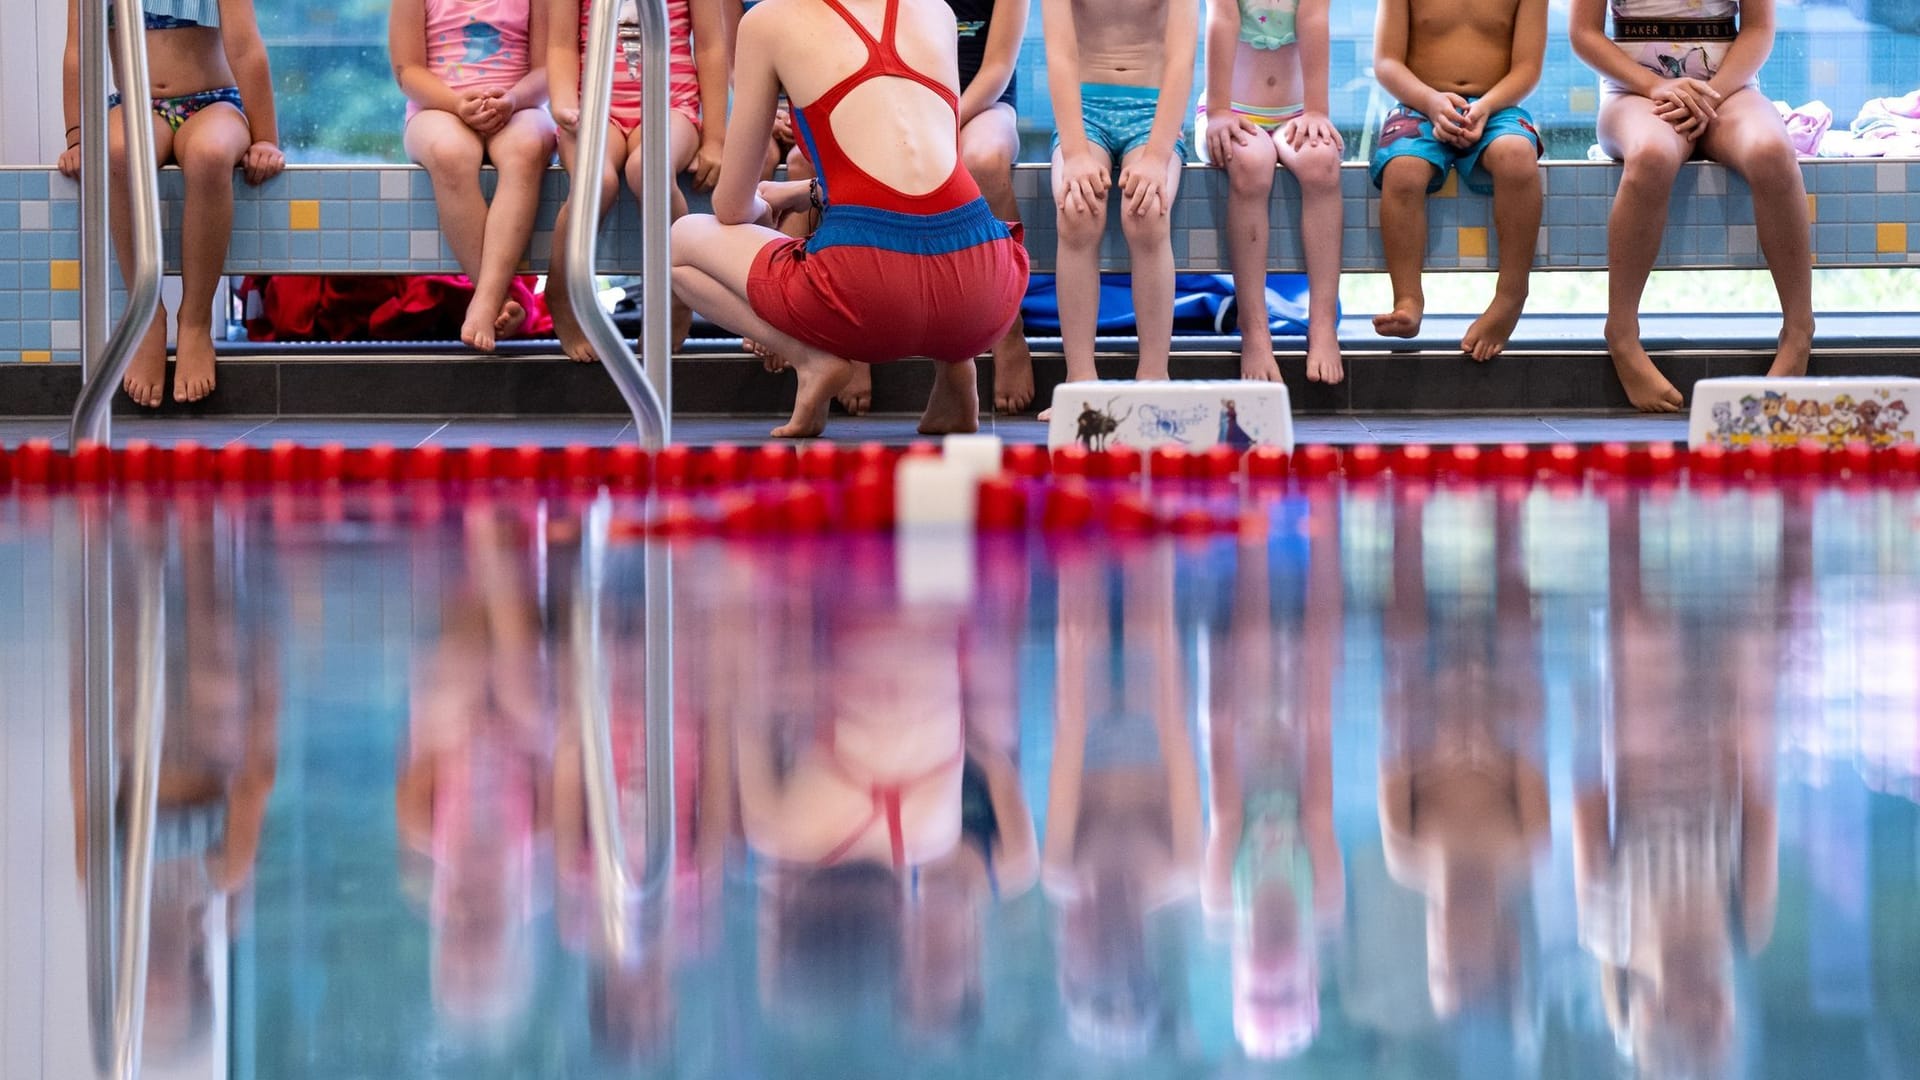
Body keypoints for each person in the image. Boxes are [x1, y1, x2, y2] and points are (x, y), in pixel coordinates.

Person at [670, 0, 1030, 438]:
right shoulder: (936, 10)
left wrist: (764, 209)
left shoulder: (767, 21)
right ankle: (957, 366)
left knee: (680, 243)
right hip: (984, 289)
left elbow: (731, 207)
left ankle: (811, 360)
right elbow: (923, 170)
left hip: (870, 293)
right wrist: (808, 193)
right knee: (929, 227)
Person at [1571, 0, 1813, 412]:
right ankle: (1622, 334)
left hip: (1728, 90)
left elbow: (1758, 28)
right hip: (1635, 92)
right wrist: (1656, 87)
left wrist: (1708, 96)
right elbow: (1584, 34)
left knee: (1772, 150)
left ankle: (1798, 331)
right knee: (1651, 155)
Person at [59, 0, 285, 407]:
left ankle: (195, 322)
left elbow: (246, 46)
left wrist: (266, 137)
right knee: (117, 154)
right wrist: (76, 137)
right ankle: (145, 316)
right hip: (136, 106)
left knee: (210, 155)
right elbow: (79, 50)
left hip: (214, 102)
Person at [1377, 489, 1548, 1019]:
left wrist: (1438, 726)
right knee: (1520, 651)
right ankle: (1508, 518)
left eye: (1440, 969)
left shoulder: (1406, 853)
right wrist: (1488, 727)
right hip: (1498, 690)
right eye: (1463, 969)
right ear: (1504, 946)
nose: (1449, 952)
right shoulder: (1524, 846)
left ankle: (1405, 520)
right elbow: (1532, 741)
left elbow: (1392, 744)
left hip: (1428, 692)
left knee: (1402, 655)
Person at [835, 0, 1036, 417]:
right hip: (906, 102)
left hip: (982, 103)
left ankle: (1009, 328)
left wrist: (944, 119)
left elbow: (997, 69)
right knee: (863, 153)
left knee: (984, 159)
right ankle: (854, 339)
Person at [1045, 543, 1204, 1054]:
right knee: (1147, 629)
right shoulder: (1179, 869)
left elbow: (1067, 748)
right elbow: (1180, 750)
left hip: (1089, 745)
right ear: (1139, 949)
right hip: (1151, 739)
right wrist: (1162, 653)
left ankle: (1076, 505)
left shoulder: (1064, 872)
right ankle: (1148, 508)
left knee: (1079, 625)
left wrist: (1073, 665)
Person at [1204, 498, 1344, 1058]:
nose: (1272, 973)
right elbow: (1318, 804)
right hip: (1296, 755)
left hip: (1239, 744)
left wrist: (1225, 711)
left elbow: (1226, 799)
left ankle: (1254, 524)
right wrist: (1310, 709)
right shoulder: (1323, 895)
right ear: (1308, 974)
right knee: (1316, 673)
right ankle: (1326, 526)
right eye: (1284, 988)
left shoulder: (1222, 895)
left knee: (1255, 677)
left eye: (1260, 989)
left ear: (1239, 972)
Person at [546, 0, 735, 362]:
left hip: (670, 105)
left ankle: (678, 290)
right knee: (595, 183)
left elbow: (711, 46)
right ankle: (562, 292)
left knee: (647, 170)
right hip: (593, 107)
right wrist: (565, 105)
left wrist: (715, 138)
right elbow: (560, 44)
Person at [1039, 0, 1198, 420]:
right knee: (1077, 210)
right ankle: (1080, 382)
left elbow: (1182, 60)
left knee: (1147, 212)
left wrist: (1156, 157)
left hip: (1153, 111)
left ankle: (1153, 378)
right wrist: (1073, 153)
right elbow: (1060, 55)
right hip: (1084, 109)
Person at [1369, 0, 1545, 362]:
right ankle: (1407, 297)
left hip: (1497, 108)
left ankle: (1511, 295)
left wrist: (1485, 107)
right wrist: (1431, 102)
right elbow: (1387, 62)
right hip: (1419, 105)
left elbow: (1527, 68)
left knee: (1517, 156)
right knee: (1402, 170)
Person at [390, 0, 555, 352]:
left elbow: (547, 70)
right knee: (450, 153)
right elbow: (407, 71)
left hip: (517, 106)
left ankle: (485, 300)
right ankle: (498, 297)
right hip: (437, 107)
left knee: (527, 150)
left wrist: (511, 99)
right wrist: (456, 105)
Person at [1199, 0, 1344, 385]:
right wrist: (1217, 112)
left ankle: (1323, 324)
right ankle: (1255, 330)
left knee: (1322, 162)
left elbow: (1314, 19)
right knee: (1250, 164)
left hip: (1297, 110)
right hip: (1232, 109)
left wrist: (1317, 111)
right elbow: (1221, 20)